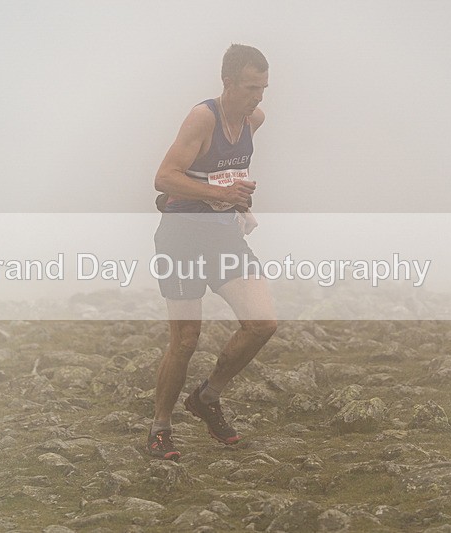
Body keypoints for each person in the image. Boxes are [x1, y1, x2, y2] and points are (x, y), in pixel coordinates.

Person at [148, 44, 277, 460]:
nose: (257, 97)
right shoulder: (203, 117)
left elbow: (226, 173)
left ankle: (207, 397)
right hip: (182, 238)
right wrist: (220, 193)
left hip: (223, 238)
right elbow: (164, 178)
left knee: (263, 324)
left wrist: (237, 201)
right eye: (250, 87)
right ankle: (160, 428)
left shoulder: (255, 119)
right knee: (185, 340)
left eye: (263, 88)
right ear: (228, 82)